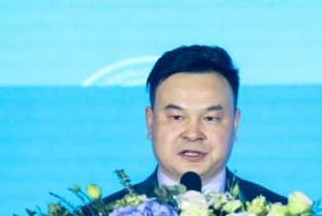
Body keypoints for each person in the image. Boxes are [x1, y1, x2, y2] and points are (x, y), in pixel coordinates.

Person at [102, 45, 287, 205]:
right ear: (150, 123)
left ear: (235, 124)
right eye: (176, 117)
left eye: (210, 118)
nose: (192, 134)